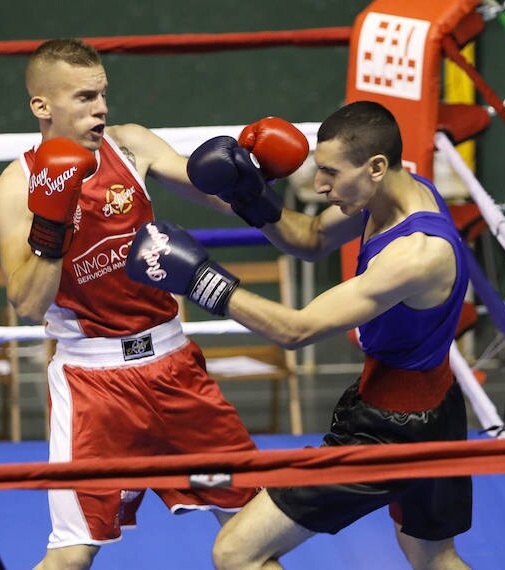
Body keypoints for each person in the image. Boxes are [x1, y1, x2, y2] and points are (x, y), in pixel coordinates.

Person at [0, 39, 307, 570]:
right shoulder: (14, 187)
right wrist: (52, 225)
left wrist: (249, 171)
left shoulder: (130, 145)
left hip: (176, 367)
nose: (101, 108)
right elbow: (25, 301)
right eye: (85, 97)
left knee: (251, 537)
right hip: (94, 385)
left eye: (103, 95)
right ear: (42, 106)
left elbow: (213, 188)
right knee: (70, 555)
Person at [126, 100, 472, 569]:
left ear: (375, 166)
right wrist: (253, 201)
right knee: (433, 559)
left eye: (330, 172)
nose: (320, 185)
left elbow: (297, 328)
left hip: (390, 431)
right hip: (431, 403)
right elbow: (310, 237)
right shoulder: (395, 193)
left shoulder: (416, 255)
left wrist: (198, 279)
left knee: (236, 553)